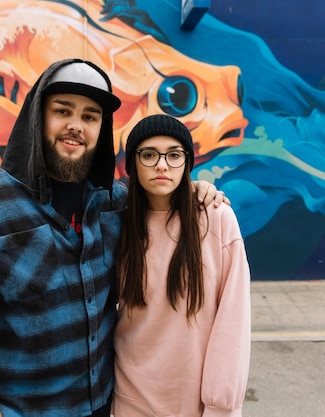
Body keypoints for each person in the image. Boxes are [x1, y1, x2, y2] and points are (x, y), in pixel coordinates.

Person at [0, 58, 226, 417]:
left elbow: (163, 193)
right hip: (20, 410)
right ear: (38, 117)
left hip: (100, 404)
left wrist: (194, 189)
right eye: (62, 111)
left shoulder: (114, 202)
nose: (75, 126)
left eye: (90, 116)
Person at [113, 114, 251, 417]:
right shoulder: (117, 224)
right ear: (132, 163)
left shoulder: (216, 219)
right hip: (130, 399)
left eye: (174, 155)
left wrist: (220, 407)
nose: (162, 165)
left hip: (195, 404)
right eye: (148, 155)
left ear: (187, 163)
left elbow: (233, 321)